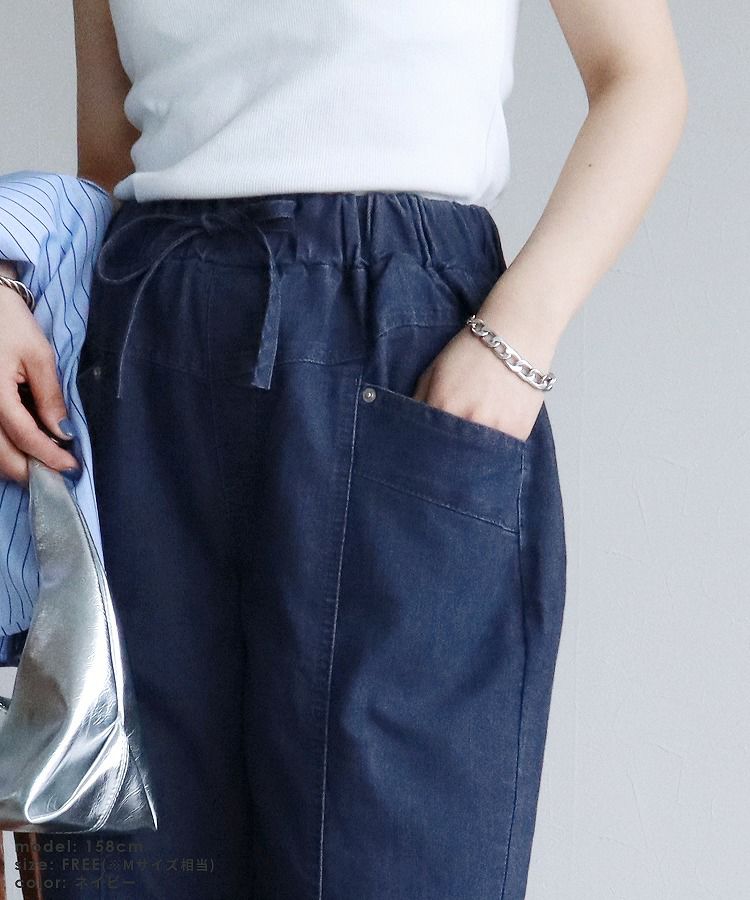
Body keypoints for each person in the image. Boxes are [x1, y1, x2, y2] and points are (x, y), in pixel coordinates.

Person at [0, 0, 688, 897]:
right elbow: (110, 159)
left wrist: (515, 343)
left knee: (393, 862)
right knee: (130, 866)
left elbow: (641, 77)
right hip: (146, 352)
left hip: (399, 346)